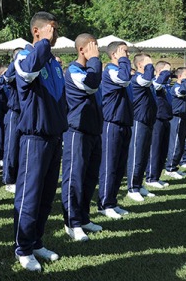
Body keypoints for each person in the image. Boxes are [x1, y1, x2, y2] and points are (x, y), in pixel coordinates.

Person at [14, 11, 66, 271]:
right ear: (37, 31)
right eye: (51, 29)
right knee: (30, 195)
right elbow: (28, 71)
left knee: (46, 196)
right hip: (34, 138)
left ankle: (36, 241)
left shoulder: (55, 64)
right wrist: (43, 43)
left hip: (54, 138)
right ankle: (22, 248)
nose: (54, 34)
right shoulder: (24, 55)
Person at [61, 33, 102, 242]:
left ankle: (83, 217)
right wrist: (95, 60)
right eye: (93, 47)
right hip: (76, 131)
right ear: (81, 50)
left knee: (89, 177)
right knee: (74, 178)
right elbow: (92, 85)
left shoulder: (92, 68)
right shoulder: (74, 71)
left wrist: (94, 62)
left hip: (93, 131)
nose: (97, 52)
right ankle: (72, 222)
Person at [98, 42, 132, 219]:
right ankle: (104, 203)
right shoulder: (111, 70)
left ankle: (112, 201)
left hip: (124, 123)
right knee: (109, 165)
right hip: (111, 123)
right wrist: (123, 61)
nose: (128, 55)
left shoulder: (121, 70)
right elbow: (124, 79)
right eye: (124, 52)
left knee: (119, 167)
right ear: (114, 54)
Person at [126, 53, 158, 202]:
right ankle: (132, 187)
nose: (151, 64)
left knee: (144, 154)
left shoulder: (144, 79)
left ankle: (139, 184)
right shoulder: (137, 78)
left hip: (148, 121)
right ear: (140, 65)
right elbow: (147, 79)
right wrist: (149, 65)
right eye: (147, 62)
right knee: (136, 154)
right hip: (139, 120)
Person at [144, 61, 172, 189]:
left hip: (166, 119)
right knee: (154, 149)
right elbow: (157, 85)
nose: (169, 74)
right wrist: (163, 74)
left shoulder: (166, 85)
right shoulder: (155, 82)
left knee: (163, 150)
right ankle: (150, 177)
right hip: (157, 119)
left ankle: (157, 176)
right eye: (167, 71)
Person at [1, 47, 23, 193]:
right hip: (14, 112)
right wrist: (16, 62)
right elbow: (6, 77)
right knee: (11, 146)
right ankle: (9, 179)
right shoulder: (13, 72)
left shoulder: (26, 72)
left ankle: (19, 177)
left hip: (26, 114)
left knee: (22, 147)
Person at [164, 67, 186, 180]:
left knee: (181, 143)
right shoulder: (176, 87)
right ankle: (170, 168)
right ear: (180, 76)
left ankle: (175, 166)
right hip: (176, 118)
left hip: (183, 118)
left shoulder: (183, 85)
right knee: (175, 143)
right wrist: (184, 81)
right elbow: (182, 92)